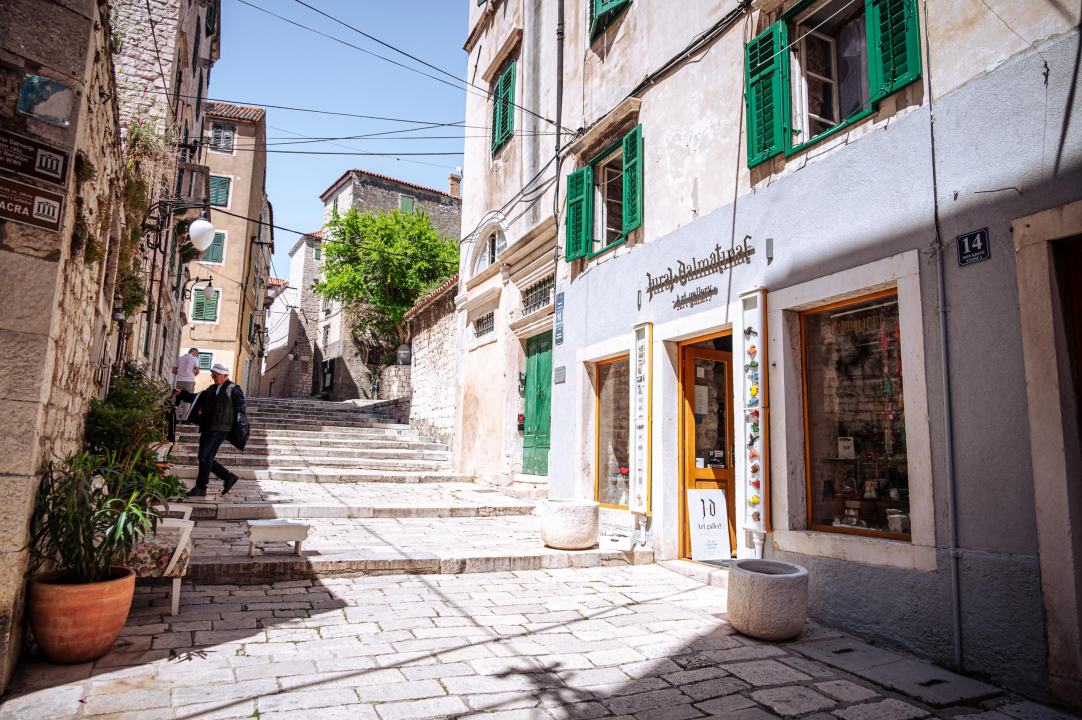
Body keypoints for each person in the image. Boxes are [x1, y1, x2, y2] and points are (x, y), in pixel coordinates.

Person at [174, 362, 243, 497]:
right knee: (203, 457)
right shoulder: (212, 388)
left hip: (222, 428)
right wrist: (182, 393)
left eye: (216, 375)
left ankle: (204, 485)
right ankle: (224, 478)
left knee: (205, 456)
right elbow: (197, 398)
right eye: (213, 375)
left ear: (225, 375)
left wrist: (239, 428)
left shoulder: (233, 389)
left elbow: (241, 408)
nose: (214, 377)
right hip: (208, 426)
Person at [172, 348, 201, 423]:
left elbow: (173, 371)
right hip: (189, 381)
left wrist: (181, 374)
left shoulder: (179, 359)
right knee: (187, 400)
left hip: (179, 380)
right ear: (194, 353)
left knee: (178, 399)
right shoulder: (194, 359)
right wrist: (193, 374)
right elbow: (197, 371)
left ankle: (176, 417)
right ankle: (185, 418)